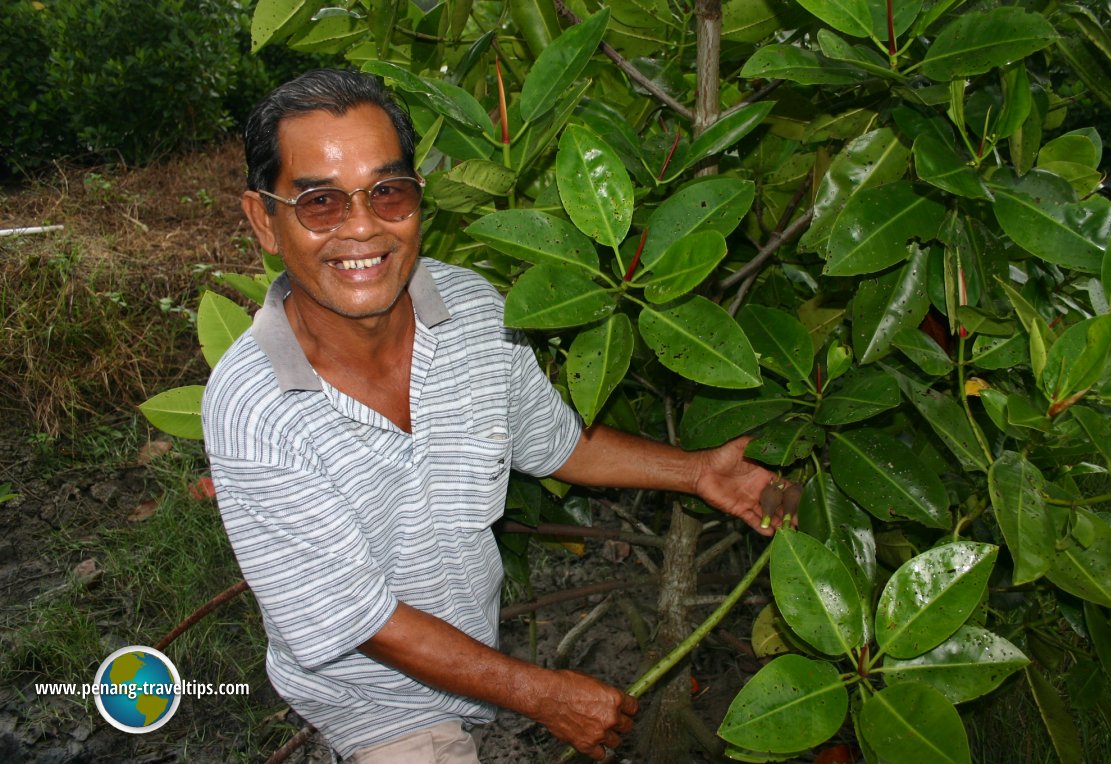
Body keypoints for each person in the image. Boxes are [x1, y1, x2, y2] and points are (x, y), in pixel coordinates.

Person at [203, 68, 796, 764]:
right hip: (375, 699)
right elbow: (361, 619)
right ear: (263, 221)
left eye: (388, 192)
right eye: (321, 203)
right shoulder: (253, 409)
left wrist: (697, 472)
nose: (362, 228)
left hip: (469, 667)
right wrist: (543, 694)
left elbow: (552, 442)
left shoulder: (475, 310)